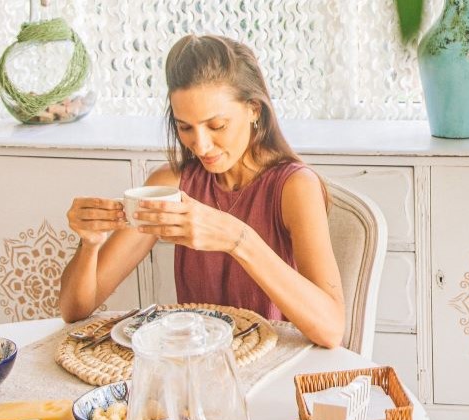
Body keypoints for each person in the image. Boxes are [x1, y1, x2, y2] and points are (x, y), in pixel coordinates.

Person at [60, 34, 345, 347]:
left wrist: (237, 239)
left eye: (217, 125)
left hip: (274, 368)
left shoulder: (295, 187)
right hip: (198, 369)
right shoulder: (170, 186)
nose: (201, 145)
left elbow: (331, 330)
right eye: (185, 127)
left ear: (253, 109)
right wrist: (89, 244)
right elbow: (75, 310)